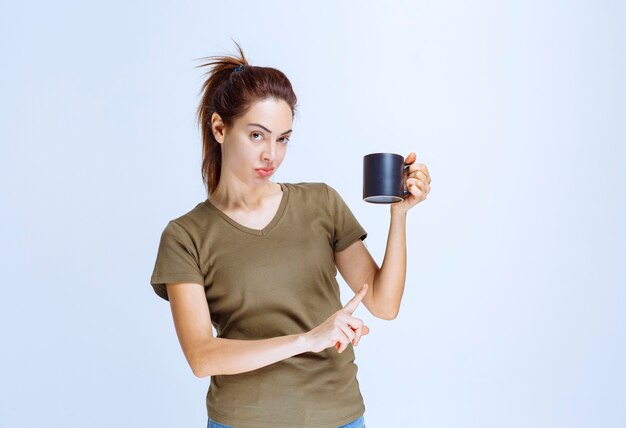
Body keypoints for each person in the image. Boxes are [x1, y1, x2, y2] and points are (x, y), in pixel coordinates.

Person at [149, 42, 432, 428]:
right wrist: (308, 339)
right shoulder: (186, 236)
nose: (272, 154)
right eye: (257, 136)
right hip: (242, 420)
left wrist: (399, 216)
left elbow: (384, 305)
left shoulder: (321, 204)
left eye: (282, 138)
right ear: (219, 128)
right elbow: (201, 356)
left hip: (338, 416)